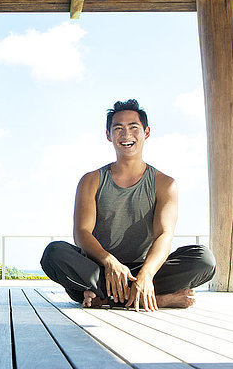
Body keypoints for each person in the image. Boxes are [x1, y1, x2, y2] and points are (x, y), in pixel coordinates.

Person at [40, 100, 216, 312]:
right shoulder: (91, 180)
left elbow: (164, 235)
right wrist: (110, 262)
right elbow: (82, 232)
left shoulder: (165, 184)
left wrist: (147, 274)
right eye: (118, 129)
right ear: (108, 135)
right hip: (99, 268)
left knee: (204, 259)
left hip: (144, 269)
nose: (126, 135)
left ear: (146, 132)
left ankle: (105, 298)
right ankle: (157, 299)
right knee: (54, 253)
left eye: (134, 128)